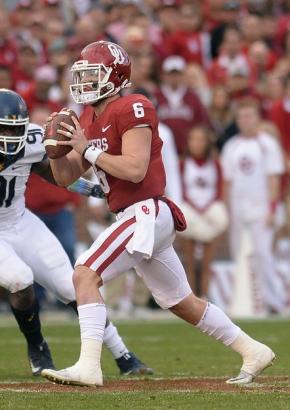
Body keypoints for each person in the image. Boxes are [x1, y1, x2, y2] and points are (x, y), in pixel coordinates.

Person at [40, 41, 275, 387]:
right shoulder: (89, 116)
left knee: (85, 273)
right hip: (133, 217)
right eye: (83, 76)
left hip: (146, 211)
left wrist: (87, 149)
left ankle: (89, 366)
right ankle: (253, 349)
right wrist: (56, 150)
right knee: (181, 302)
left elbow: (135, 169)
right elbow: (65, 178)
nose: (85, 83)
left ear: (115, 76)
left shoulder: (134, 106)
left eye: (92, 75)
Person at [0, 89, 152, 377]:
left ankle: (123, 354)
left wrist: (90, 188)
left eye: (15, 129)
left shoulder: (33, 139)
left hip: (21, 223)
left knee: (72, 286)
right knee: (20, 280)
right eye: (3, 128)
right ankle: (38, 347)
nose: (10, 136)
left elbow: (58, 176)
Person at [221, 100, 286, 313]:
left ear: (257, 118)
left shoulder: (267, 144)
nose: (245, 120)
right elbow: (227, 181)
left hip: (261, 205)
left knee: (263, 253)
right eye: (241, 117)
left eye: (249, 116)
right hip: (238, 206)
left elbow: (274, 178)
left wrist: (272, 208)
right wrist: (226, 209)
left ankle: (273, 301)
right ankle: (239, 302)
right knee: (237, 252)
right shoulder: (231, 146)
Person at [178, 126, 228, 298]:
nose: (197, 144)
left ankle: (204, 296)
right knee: (190, 263)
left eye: (201, 140)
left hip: (208, 214)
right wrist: (195, 207)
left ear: (207, 143)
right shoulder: (183, 164)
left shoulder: (215, 164)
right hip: (190, 214)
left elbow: (219, 190)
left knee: (207, 263)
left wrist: (207, 208)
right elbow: (181, 189)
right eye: (193, 139)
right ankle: (191, 298)